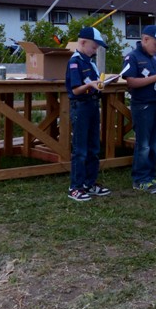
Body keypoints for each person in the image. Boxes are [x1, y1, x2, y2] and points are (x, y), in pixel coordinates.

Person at [121, 25, 156, 193]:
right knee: (143, 144)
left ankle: (150, 176)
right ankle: (140, 179)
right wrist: (155, 78)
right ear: (145, 39)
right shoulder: (132, 57)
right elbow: (130, 82)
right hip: (142, 105)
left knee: (154, 143)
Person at [65, 27, 112, 202]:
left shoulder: (90, 62)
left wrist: (100, 84)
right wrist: (91, 85)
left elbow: (93, 83)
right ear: (83, 43)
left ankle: (89, 183)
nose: (95, 50)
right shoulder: (75, 62)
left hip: (93, 105)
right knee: (80, 149)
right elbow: (76, 90)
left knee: (93, 147)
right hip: (81, 106)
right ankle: (75, 187)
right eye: (94, 47)